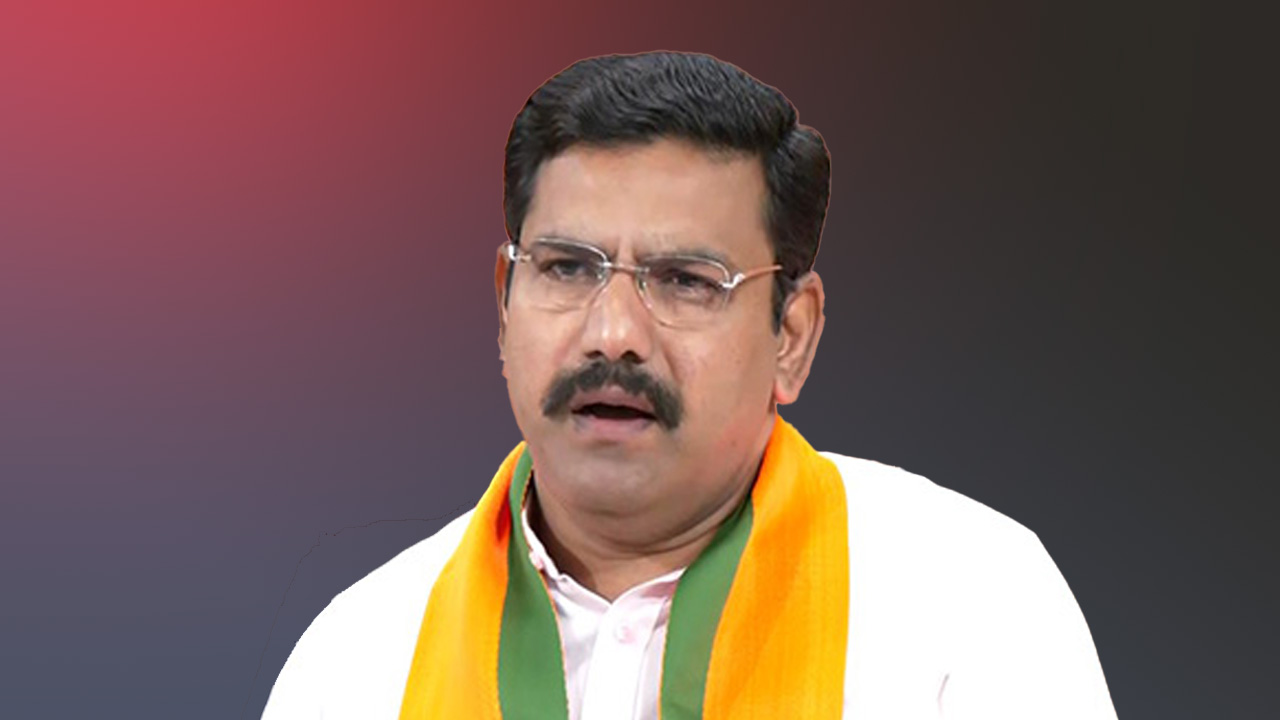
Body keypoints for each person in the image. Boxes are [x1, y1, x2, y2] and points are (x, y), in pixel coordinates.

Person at [262, 51, 1116, 720]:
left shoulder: (969, 606)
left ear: (792, 337)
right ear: (503, 303)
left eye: (684, 281)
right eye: (566, 268)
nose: (613, 335)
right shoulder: (362, 657)